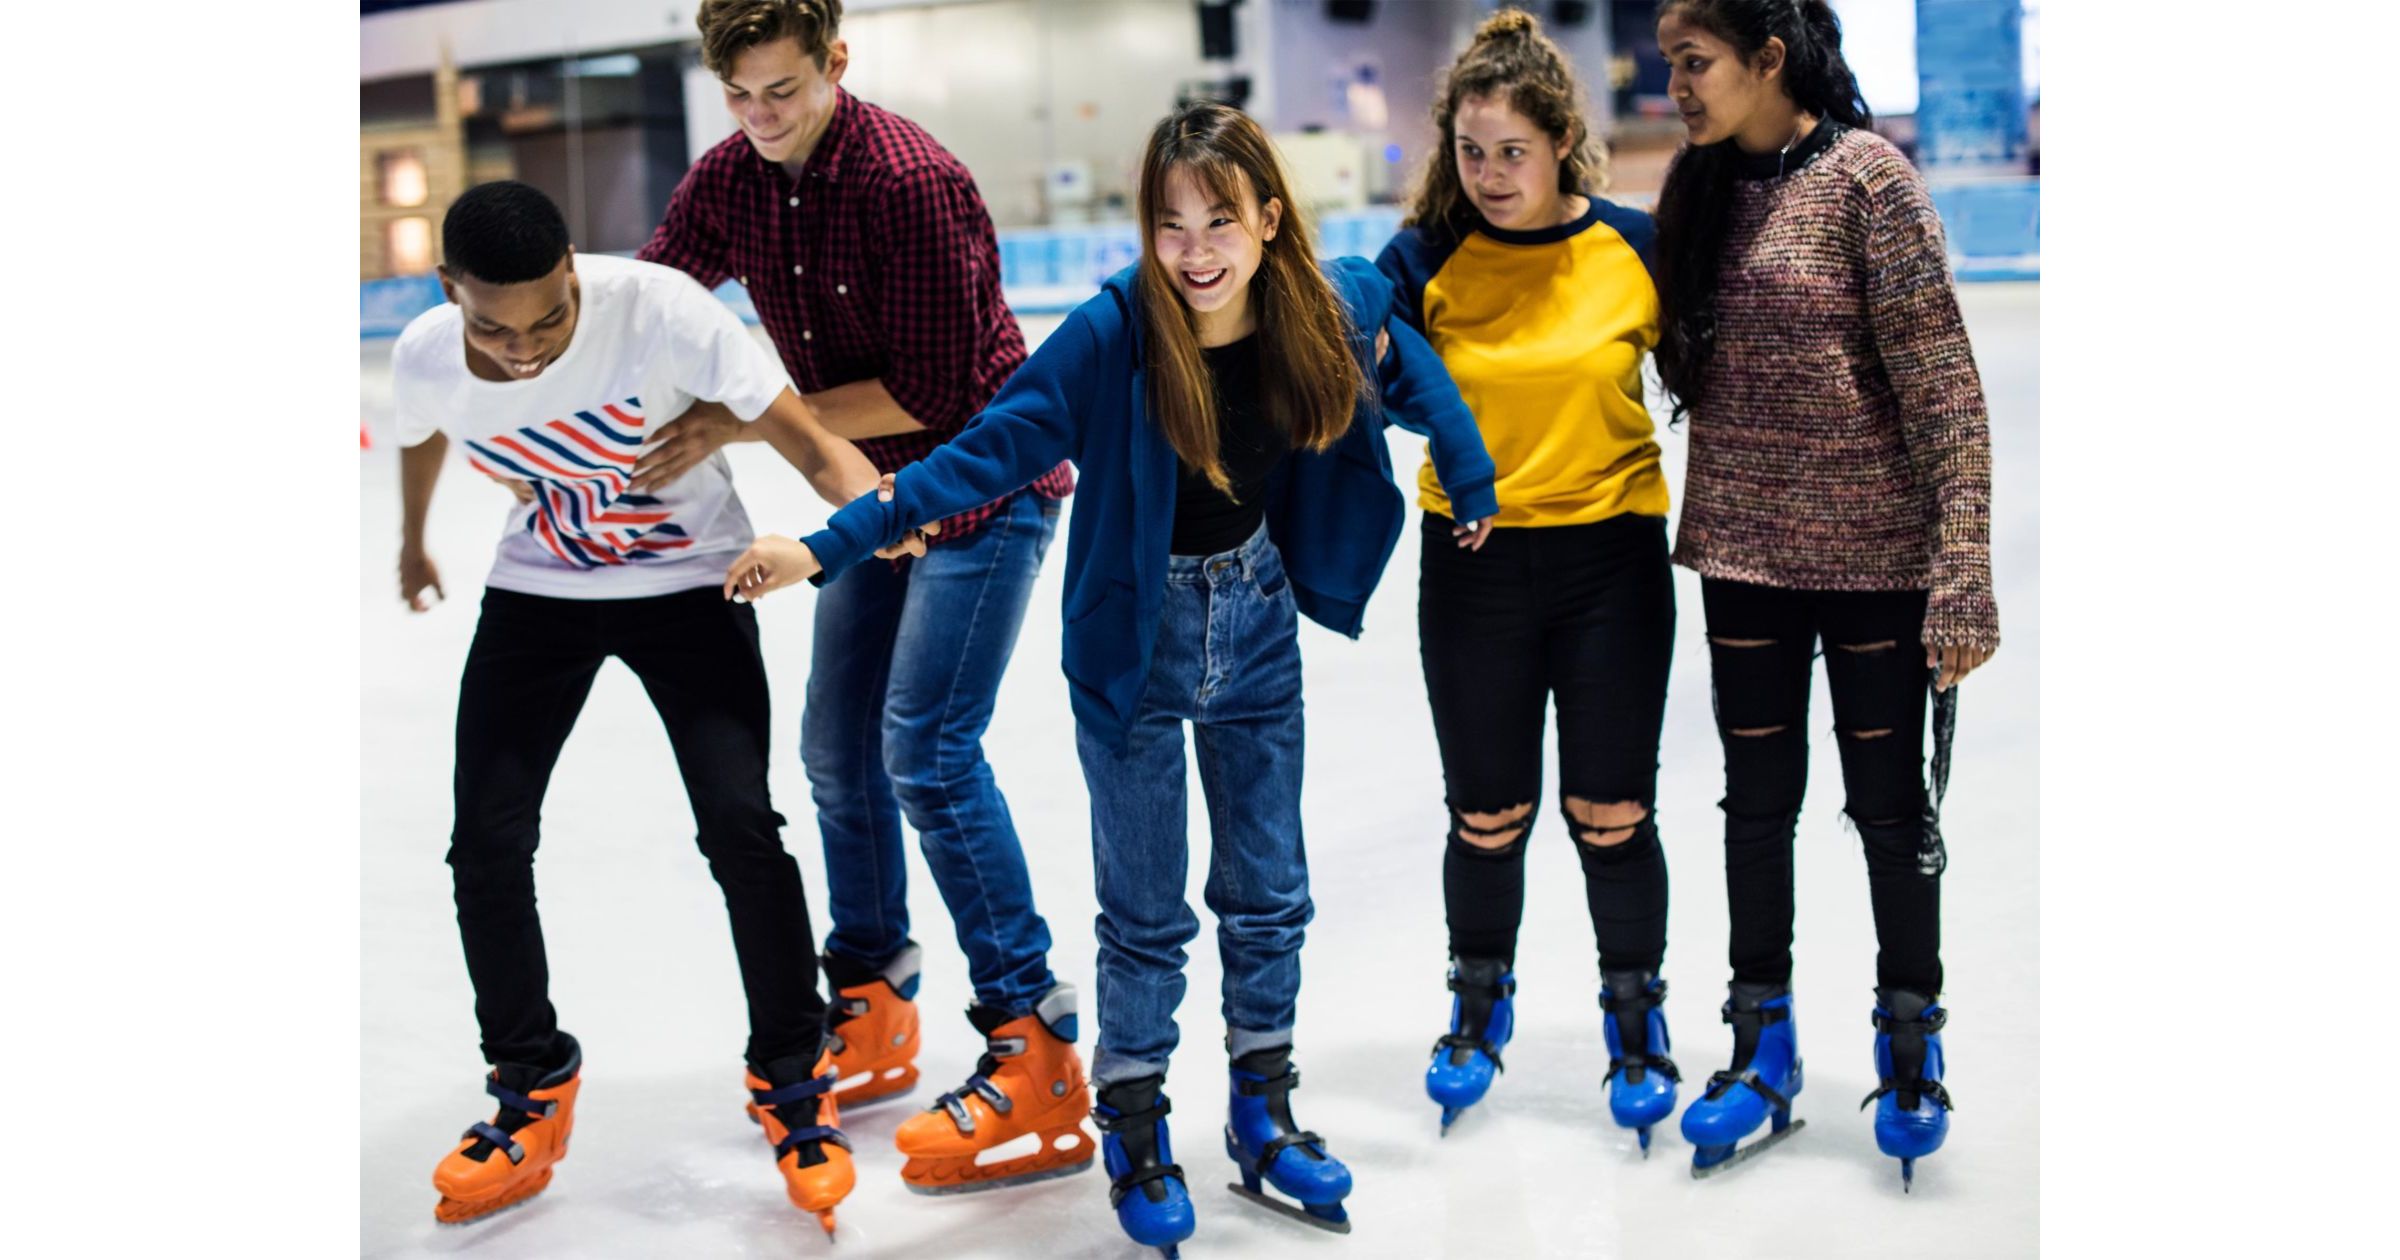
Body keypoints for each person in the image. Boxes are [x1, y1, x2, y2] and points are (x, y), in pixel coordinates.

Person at [722, 102, 1499, 1256]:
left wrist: (1468, 471)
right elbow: (984, 450)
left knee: (1269, 893)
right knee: (1144, 916)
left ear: (1268, 220)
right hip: (1134, 643)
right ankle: (1135, 1122)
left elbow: (1405, 359)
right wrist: (828, 544)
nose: (1195, 250)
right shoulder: (1115, 330)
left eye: (1219, 222)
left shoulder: (1324, 300)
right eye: (1170, 225)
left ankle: (1264, 1109)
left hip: (1257, 620)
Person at [631, 0, 1088, 1195]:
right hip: (872, 500)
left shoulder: (909, 182)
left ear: (835, 61)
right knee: (838, 754)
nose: (760, 117)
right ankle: (875, 991)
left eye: (783, 90)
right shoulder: (730, 178)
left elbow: (934, 393)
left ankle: (1032, 1038)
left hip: (983, 486)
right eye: (738, 95)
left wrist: (739, 418)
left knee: (925, 750)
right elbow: (654, 300)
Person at [394, 180, 883, 1231]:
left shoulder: (662, 311)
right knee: (484, 843)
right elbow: (422, 429)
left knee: (741, 828)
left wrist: (878, 513)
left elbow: (806, 440)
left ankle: (794, 1077)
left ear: (574, 275)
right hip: (539, 595)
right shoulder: (428, 354)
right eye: (495, 329)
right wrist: (411, 539)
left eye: (548, 321)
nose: (524, 351)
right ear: (448, 293)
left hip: (694, 587)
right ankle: (529, 1083)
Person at [1648, 0, 1998, 1187]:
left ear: (1768, 58)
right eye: (1670, 63)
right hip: (1742, 551)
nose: (1678, 86)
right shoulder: (1698, 189)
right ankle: (1763, 1047)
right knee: (1755, 808)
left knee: (1889, 813)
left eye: (1695, 62)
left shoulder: (1868, 182)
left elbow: (1944, 389)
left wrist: (1962, 574)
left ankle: (1909, 1042)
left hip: (1876, 562)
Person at [1376, 8, 1680, 1151]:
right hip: (1474, 565)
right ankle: (1478, 1001)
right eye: (1470, 151)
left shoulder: (1635, 248)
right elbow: (1347, 371)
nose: (1491, 174)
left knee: (1613, 813)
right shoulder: (1422, 261)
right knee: (1487, 814)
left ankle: (1636, 1014)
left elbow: (1726, 375)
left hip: (1612, 562)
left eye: (1513, 151)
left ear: (1561, 145)